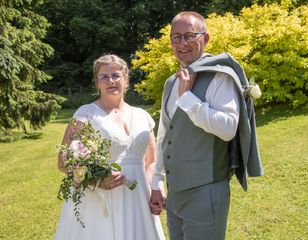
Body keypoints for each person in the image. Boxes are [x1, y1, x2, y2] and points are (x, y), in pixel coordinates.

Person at [149, 11, 263, 240]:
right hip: (175, 193)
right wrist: (156, 181)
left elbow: (228, 128)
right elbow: (164, 134)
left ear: (206, 38)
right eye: (176, 37)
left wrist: (189, 99)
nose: (182, 43)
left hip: (205, 191)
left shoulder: (220, 77)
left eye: (190, 35)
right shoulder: (171, 82)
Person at [55, 54, 165, 240]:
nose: (111, 81)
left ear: (126, 79)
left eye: (116, 76)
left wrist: (157, 188)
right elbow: (63, 161)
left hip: (138, 200)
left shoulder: (142, 116)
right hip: (99, 201)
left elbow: (150, 162)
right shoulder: (86, 115)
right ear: (96, 83)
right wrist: (96, 181)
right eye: (104, 77)